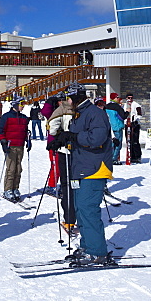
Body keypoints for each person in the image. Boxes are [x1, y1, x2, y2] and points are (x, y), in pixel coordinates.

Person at [50, 82, 114, 266]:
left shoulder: (95, 113)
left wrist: (74, 136)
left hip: (94, 169)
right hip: (81, 167)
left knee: (88, 209)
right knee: (80, 209)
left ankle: (97, 252)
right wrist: (63, 140)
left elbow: (97, 139)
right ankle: (88, 246)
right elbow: (79, 138)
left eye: (68, 98)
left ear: (76, 98)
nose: (66, 101)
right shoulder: (80, 115)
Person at [45, 92, 77, 236]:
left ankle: (70, 218)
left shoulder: (62, 109)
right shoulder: (81, 108)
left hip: (67, 151)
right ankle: (74, 218)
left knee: (68, 185)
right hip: (76, 151)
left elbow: (51, 128)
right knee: (73, 184)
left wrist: (59, 136)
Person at [0, 99, 31, 201]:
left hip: (20, 145)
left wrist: (28, 140)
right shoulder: (6, 116)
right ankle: (8, 189)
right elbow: (0, 130)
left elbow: (25, 131)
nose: (23, 106)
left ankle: (15, 188)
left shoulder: (23, 118)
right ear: (15, 105)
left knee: (18, 168)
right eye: (21, 104)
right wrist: (3, 142)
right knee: (11, 168)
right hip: (10, 146)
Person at [105, 93, 128, 165]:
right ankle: (114, 159)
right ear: (114, 98)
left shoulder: (107, 106)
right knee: (118, 144)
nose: (119, 99)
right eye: (117, 97)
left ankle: (109, 158)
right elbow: (122, 116)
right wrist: (127, 111)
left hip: (109, 127)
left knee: (111, 144)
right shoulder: (117, 107)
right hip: (117, 127)